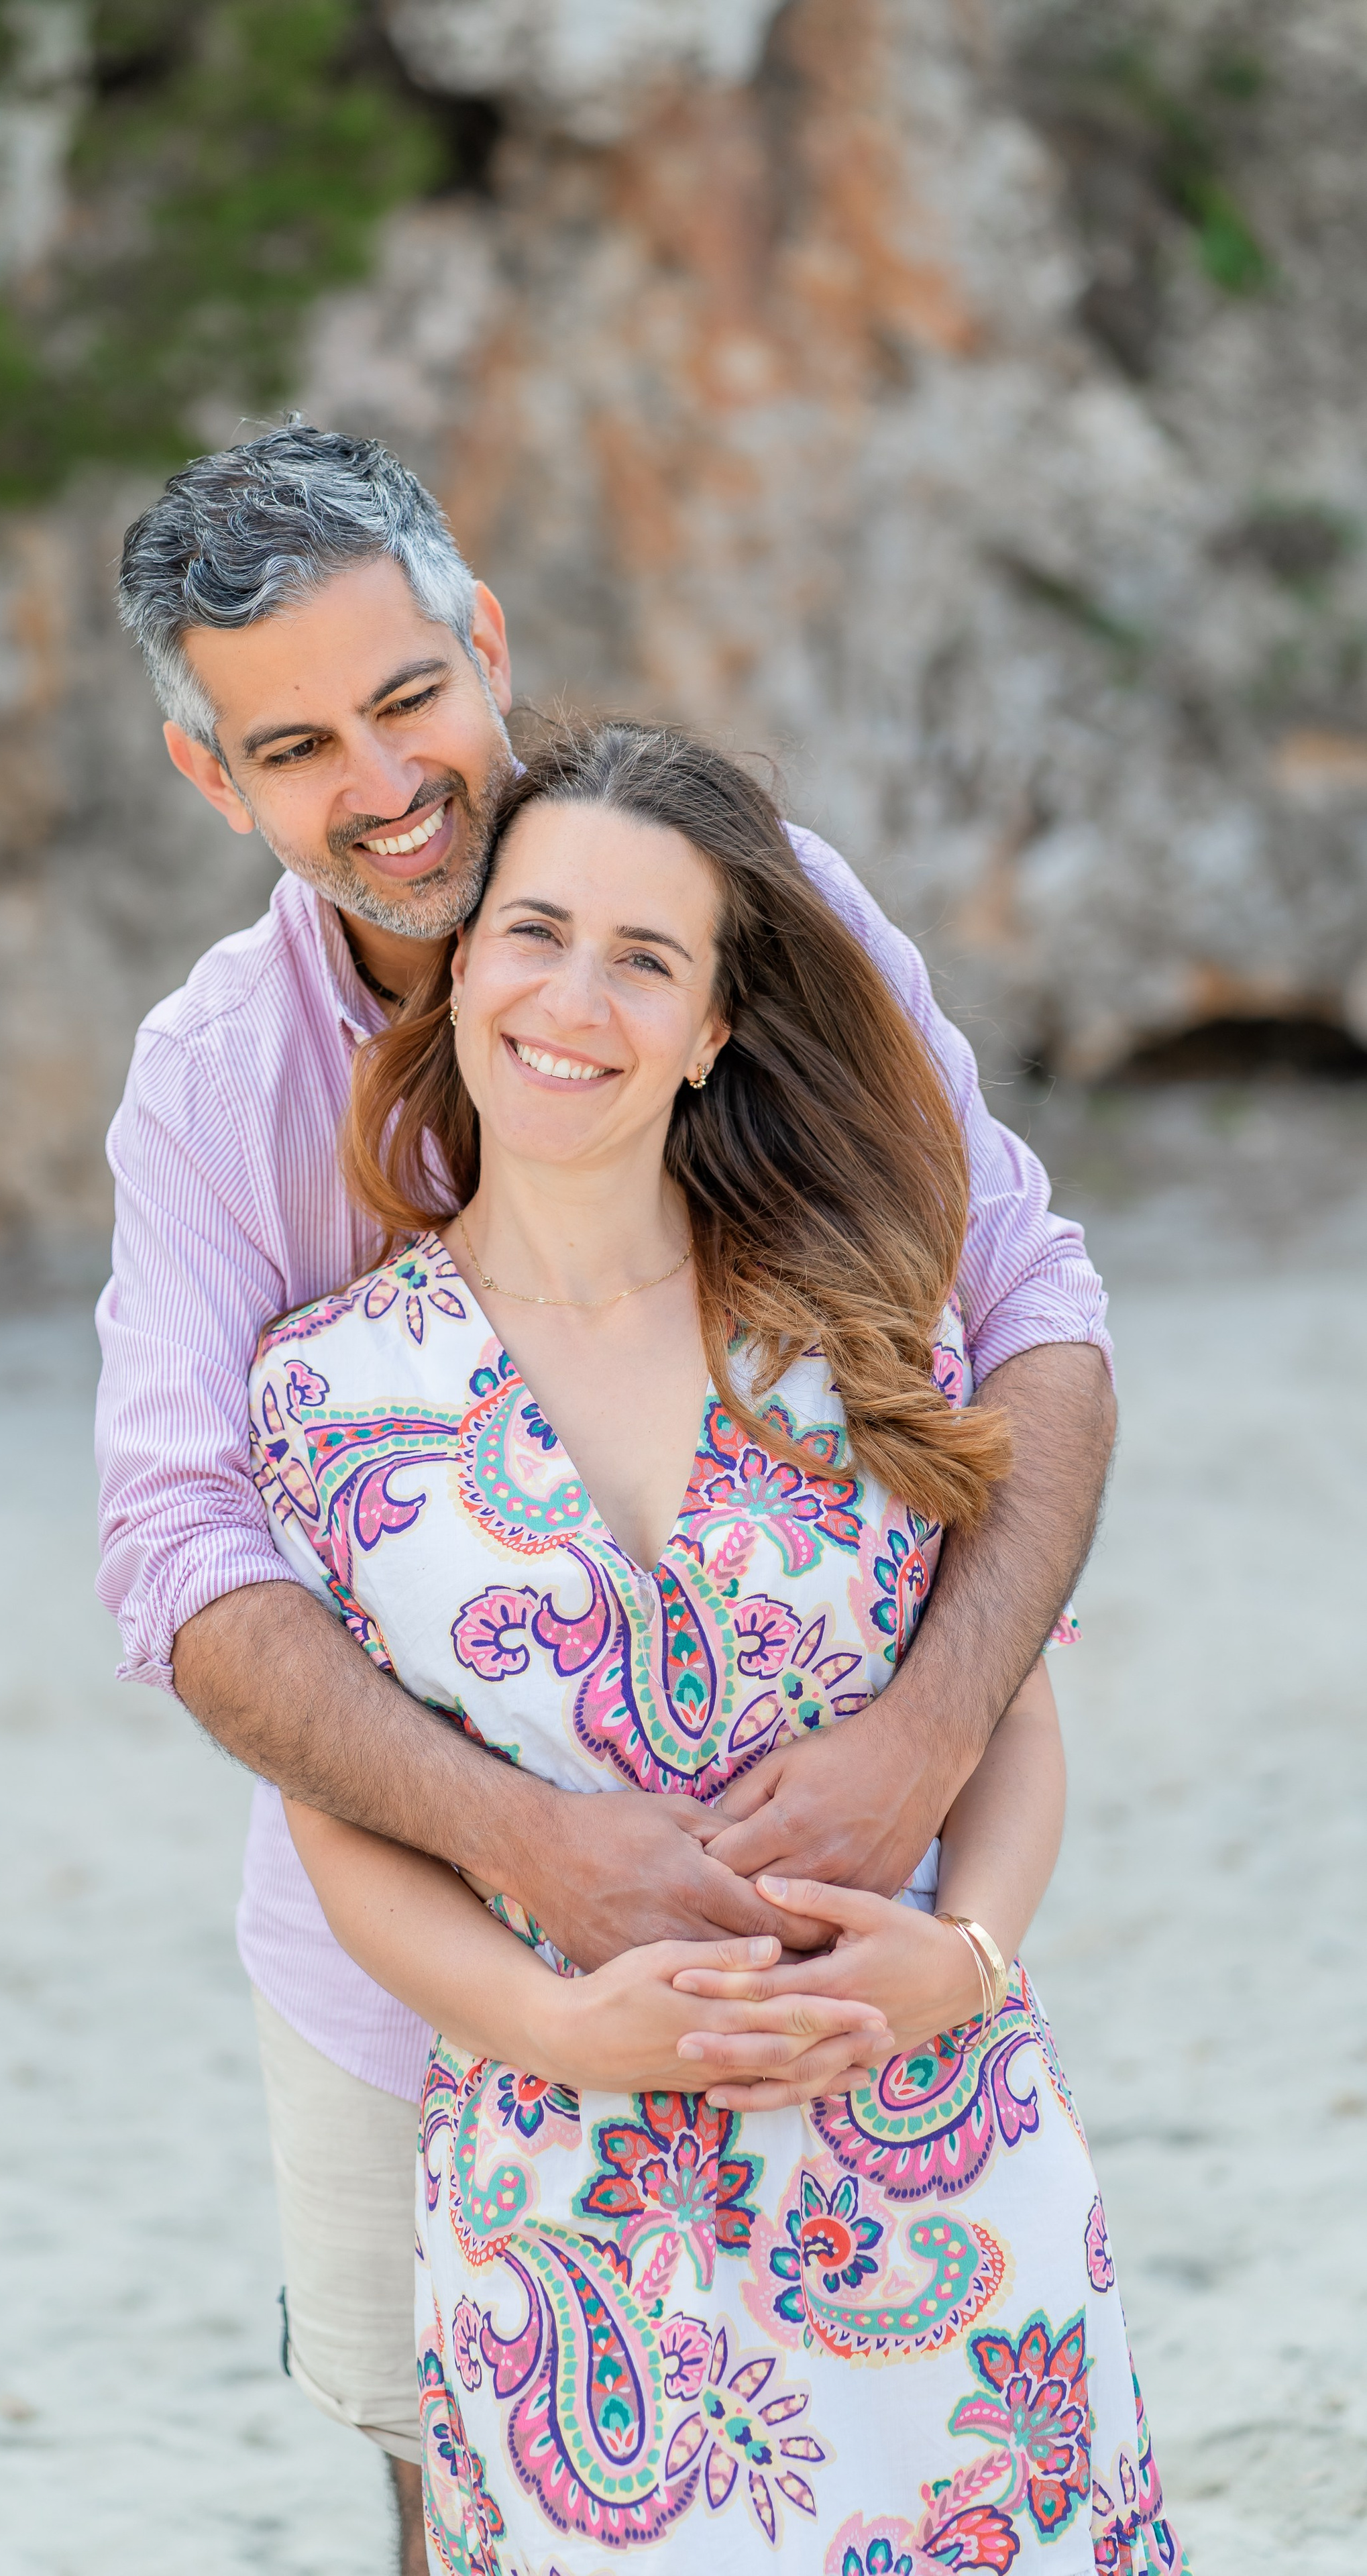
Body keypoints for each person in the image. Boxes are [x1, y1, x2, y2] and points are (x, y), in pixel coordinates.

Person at [97, 425, 1117, 2571]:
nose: (380, 787)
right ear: (219, 785)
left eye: (403, 701)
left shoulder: (773, 915)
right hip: (425, 1995)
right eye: (295, 747)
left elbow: (1022, 1312)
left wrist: (924, 1753)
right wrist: (535, 1863)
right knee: (454, 2490)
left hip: (857, 1974)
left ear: (482, 642)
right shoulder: (220, 1095)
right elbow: (192, 1570)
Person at [250, 716, 1184, 2575]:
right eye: (532, 932)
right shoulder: (326, 1399)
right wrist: (547, 2021)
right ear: (462, 976)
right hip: (561, 2202)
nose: (572, 997)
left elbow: (1002, 1702)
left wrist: (971, 1960)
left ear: (712, 1032)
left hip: (941, 2153)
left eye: (645, 958)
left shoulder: (861, 1316)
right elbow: (340, 1815)